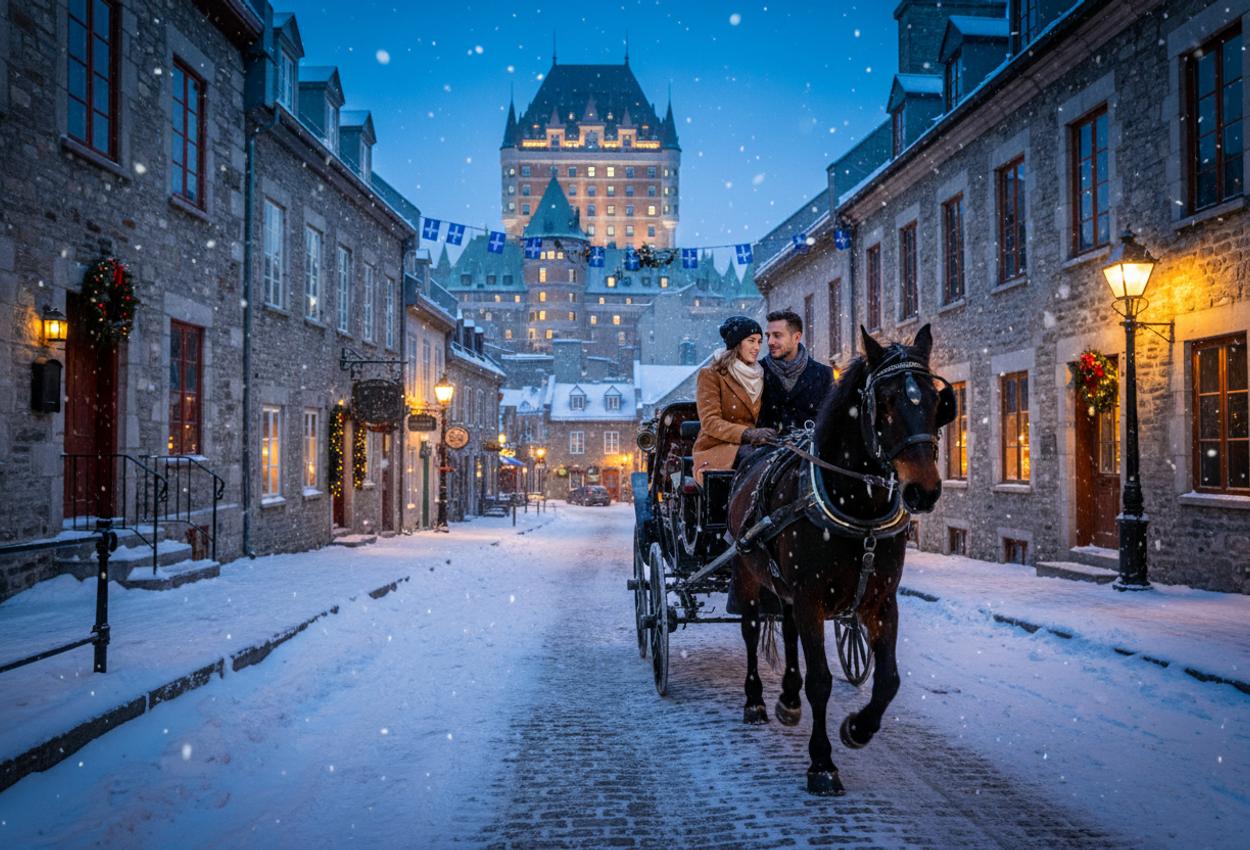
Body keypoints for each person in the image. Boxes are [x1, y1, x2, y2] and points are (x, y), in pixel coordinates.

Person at [691, 316, 775, 485]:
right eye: (751, 341)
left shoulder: (763, 375)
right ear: (737, 344)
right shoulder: (711, 375)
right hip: (718, 450)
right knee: (763, 459)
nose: (756, 347)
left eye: (759, 341)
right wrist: (749, 433)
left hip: (756, 447)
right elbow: (710, 422)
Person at [758, 309, 835, 436]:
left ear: (796, 337)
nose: (770, 342)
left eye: (777, 335)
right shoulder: (753, 374)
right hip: (763, 454)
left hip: (812, 454)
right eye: (768, 336)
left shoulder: (826, 377)